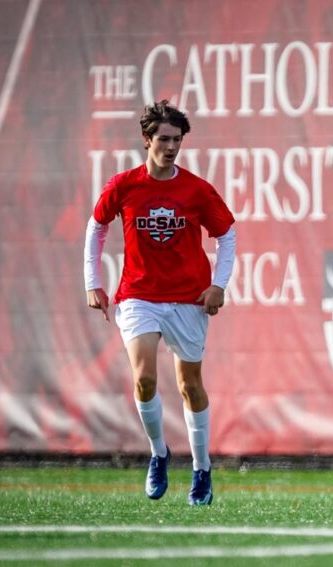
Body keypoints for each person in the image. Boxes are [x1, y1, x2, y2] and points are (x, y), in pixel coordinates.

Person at [83, 100, 236, 505]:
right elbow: (97, 226)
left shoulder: (196, 189)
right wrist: (92, 282)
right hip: (138, 295)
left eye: (177, 140)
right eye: (164, 139)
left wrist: (219, 284)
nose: (171, 147)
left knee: (189, 385)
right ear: (147, 140)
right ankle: (158, 454)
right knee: (145, 377)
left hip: (188, 298)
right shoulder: (124, 185)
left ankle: (202, 468)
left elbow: (227, 234)